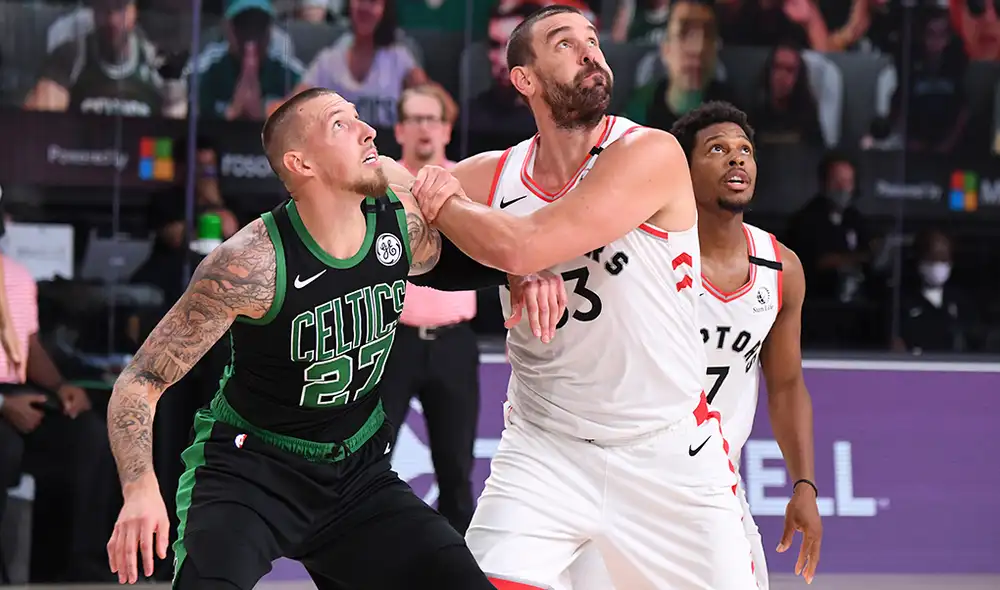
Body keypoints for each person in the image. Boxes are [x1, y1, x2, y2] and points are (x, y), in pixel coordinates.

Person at [104, 87, 564, 588]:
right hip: (250, 470)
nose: (368, 131)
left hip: (357, 475)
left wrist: (517, 271)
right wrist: (140, 487)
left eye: (360, 117)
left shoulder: (399, 225)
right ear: (300, 163)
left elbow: (467, 258)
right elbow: (141, 378)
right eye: (340, 125)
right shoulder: (250, 264)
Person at [411, 6, 758, 588]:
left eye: (592, 40)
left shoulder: (649, 152)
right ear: (524, 78)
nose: (590, 51)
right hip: (545, 451)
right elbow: (398, 195)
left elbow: (526, 243)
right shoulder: (496, 176)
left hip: (667, 453)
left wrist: (448, 205)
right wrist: (500, 261)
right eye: (565, 43)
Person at [568, 101, 824, 590]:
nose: (736, 159)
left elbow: (787, 385)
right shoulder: (639, 251)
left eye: (745, 150)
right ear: (681, 170)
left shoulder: (781, 268)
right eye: (717, 149)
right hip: (625, 475)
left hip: (712, 481)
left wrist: (804, 486)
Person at [380, 85, 480, 534]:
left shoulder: (471, 182)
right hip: (390, 341)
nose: (424, 129)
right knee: (371, 462)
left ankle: (458, 574)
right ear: (400, 129)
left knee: (457, 470)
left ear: (446, 127)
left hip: (453, 343)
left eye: (432, 119)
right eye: (415, 119)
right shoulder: (378, 186)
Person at [0, 254, 117, 582]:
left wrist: (60, 386)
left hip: (21, 388)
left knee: (87, 436)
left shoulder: (17, 275)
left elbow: (30, 346)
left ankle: (75, 566)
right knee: (4, 447)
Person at [24, 0, 176, 118]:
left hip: (141, 155)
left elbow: (176, 131)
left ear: (133, 11)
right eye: (104, 8)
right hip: (84, 153)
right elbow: (38, 127)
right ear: (93, 10)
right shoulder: (71, 55)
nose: (112, 20)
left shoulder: (158, 62)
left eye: (119, 8)